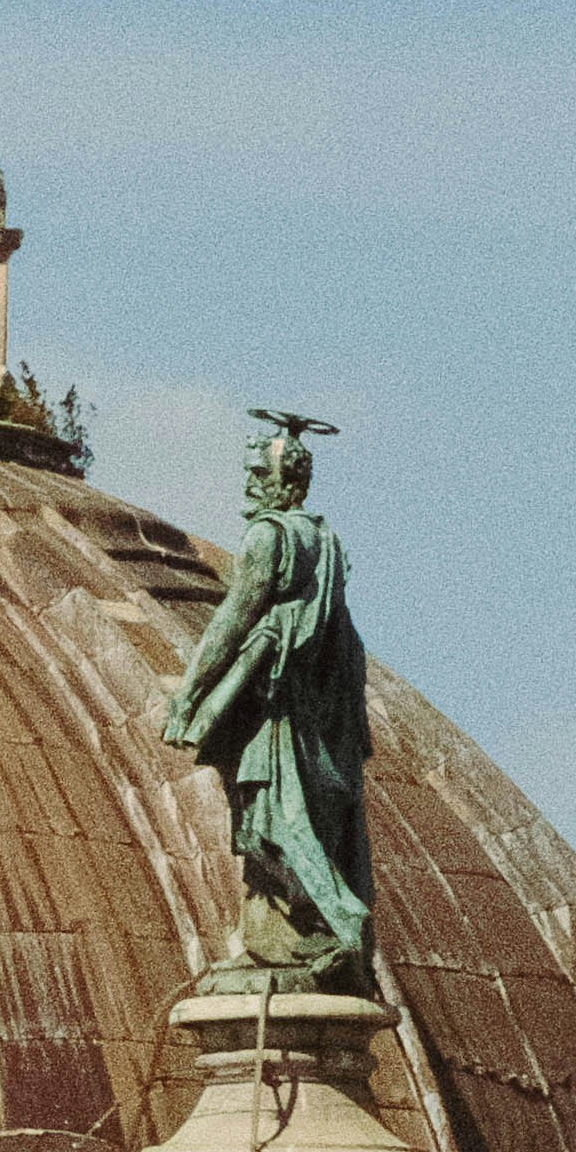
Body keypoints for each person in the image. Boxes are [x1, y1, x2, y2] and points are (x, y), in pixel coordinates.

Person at [159, 413, 374, 978]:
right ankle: (268, 940)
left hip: (275, 713)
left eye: (259, 472)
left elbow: (233, 619)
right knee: (262, 825)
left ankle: (343, 925)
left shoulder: (269, 536)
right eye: (249, 471)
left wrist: (190, 694)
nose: (250, 482)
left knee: (277, 821)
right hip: (313, 713)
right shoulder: (324, 539)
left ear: (287, 482)